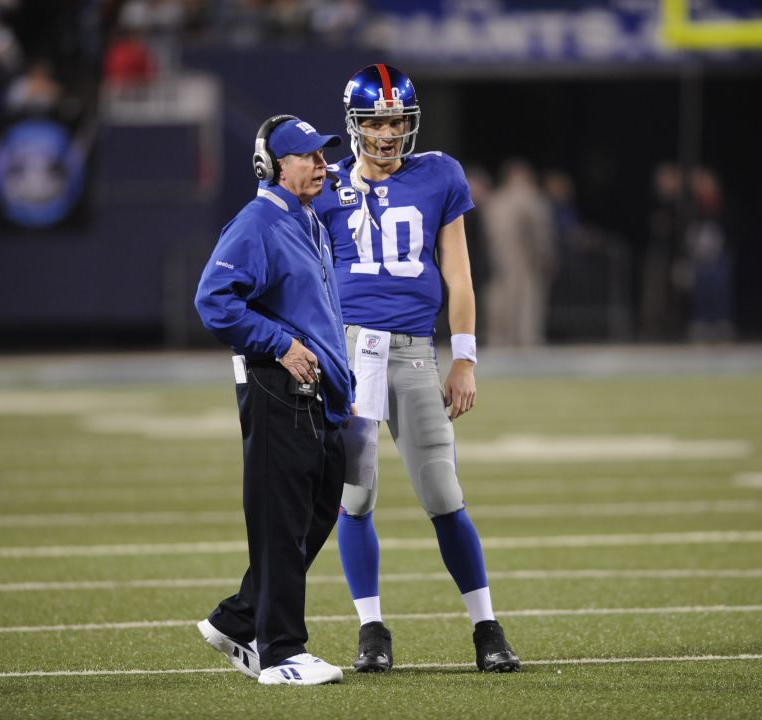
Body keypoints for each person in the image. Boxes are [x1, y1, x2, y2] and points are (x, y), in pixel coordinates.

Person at [313, 64, 521, 673]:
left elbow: (458, 272)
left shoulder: (439, 174)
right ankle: (371, 629)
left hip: (411, 350)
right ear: (353, 124)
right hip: (349, 352)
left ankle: (486, 627)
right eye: (375, 120)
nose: (386, 132)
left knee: (443, 492)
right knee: (355, 497)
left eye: (396, 120)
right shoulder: (322, 185)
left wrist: (464, 356)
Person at [193, 114, 354, 686]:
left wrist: (342, 384)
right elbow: (214, 300)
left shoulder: (306, 219)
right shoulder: (258, 221)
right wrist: (279, 343)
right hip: (277, 387)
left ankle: (237, 619)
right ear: (273, 165)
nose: (320, 163)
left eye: (321, 154)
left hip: (318, 395)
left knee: (315, 511)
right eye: (307, 155)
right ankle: (282, 652)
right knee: (282, 522)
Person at [482, 158, 558, 347]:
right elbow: (540, 231)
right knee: (527, 300)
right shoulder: (530, 197)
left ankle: (498, 339)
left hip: (495, 258)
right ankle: (527, 339)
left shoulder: (496, 199)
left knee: (498, 299)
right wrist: (545, 255)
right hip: (522, 258)